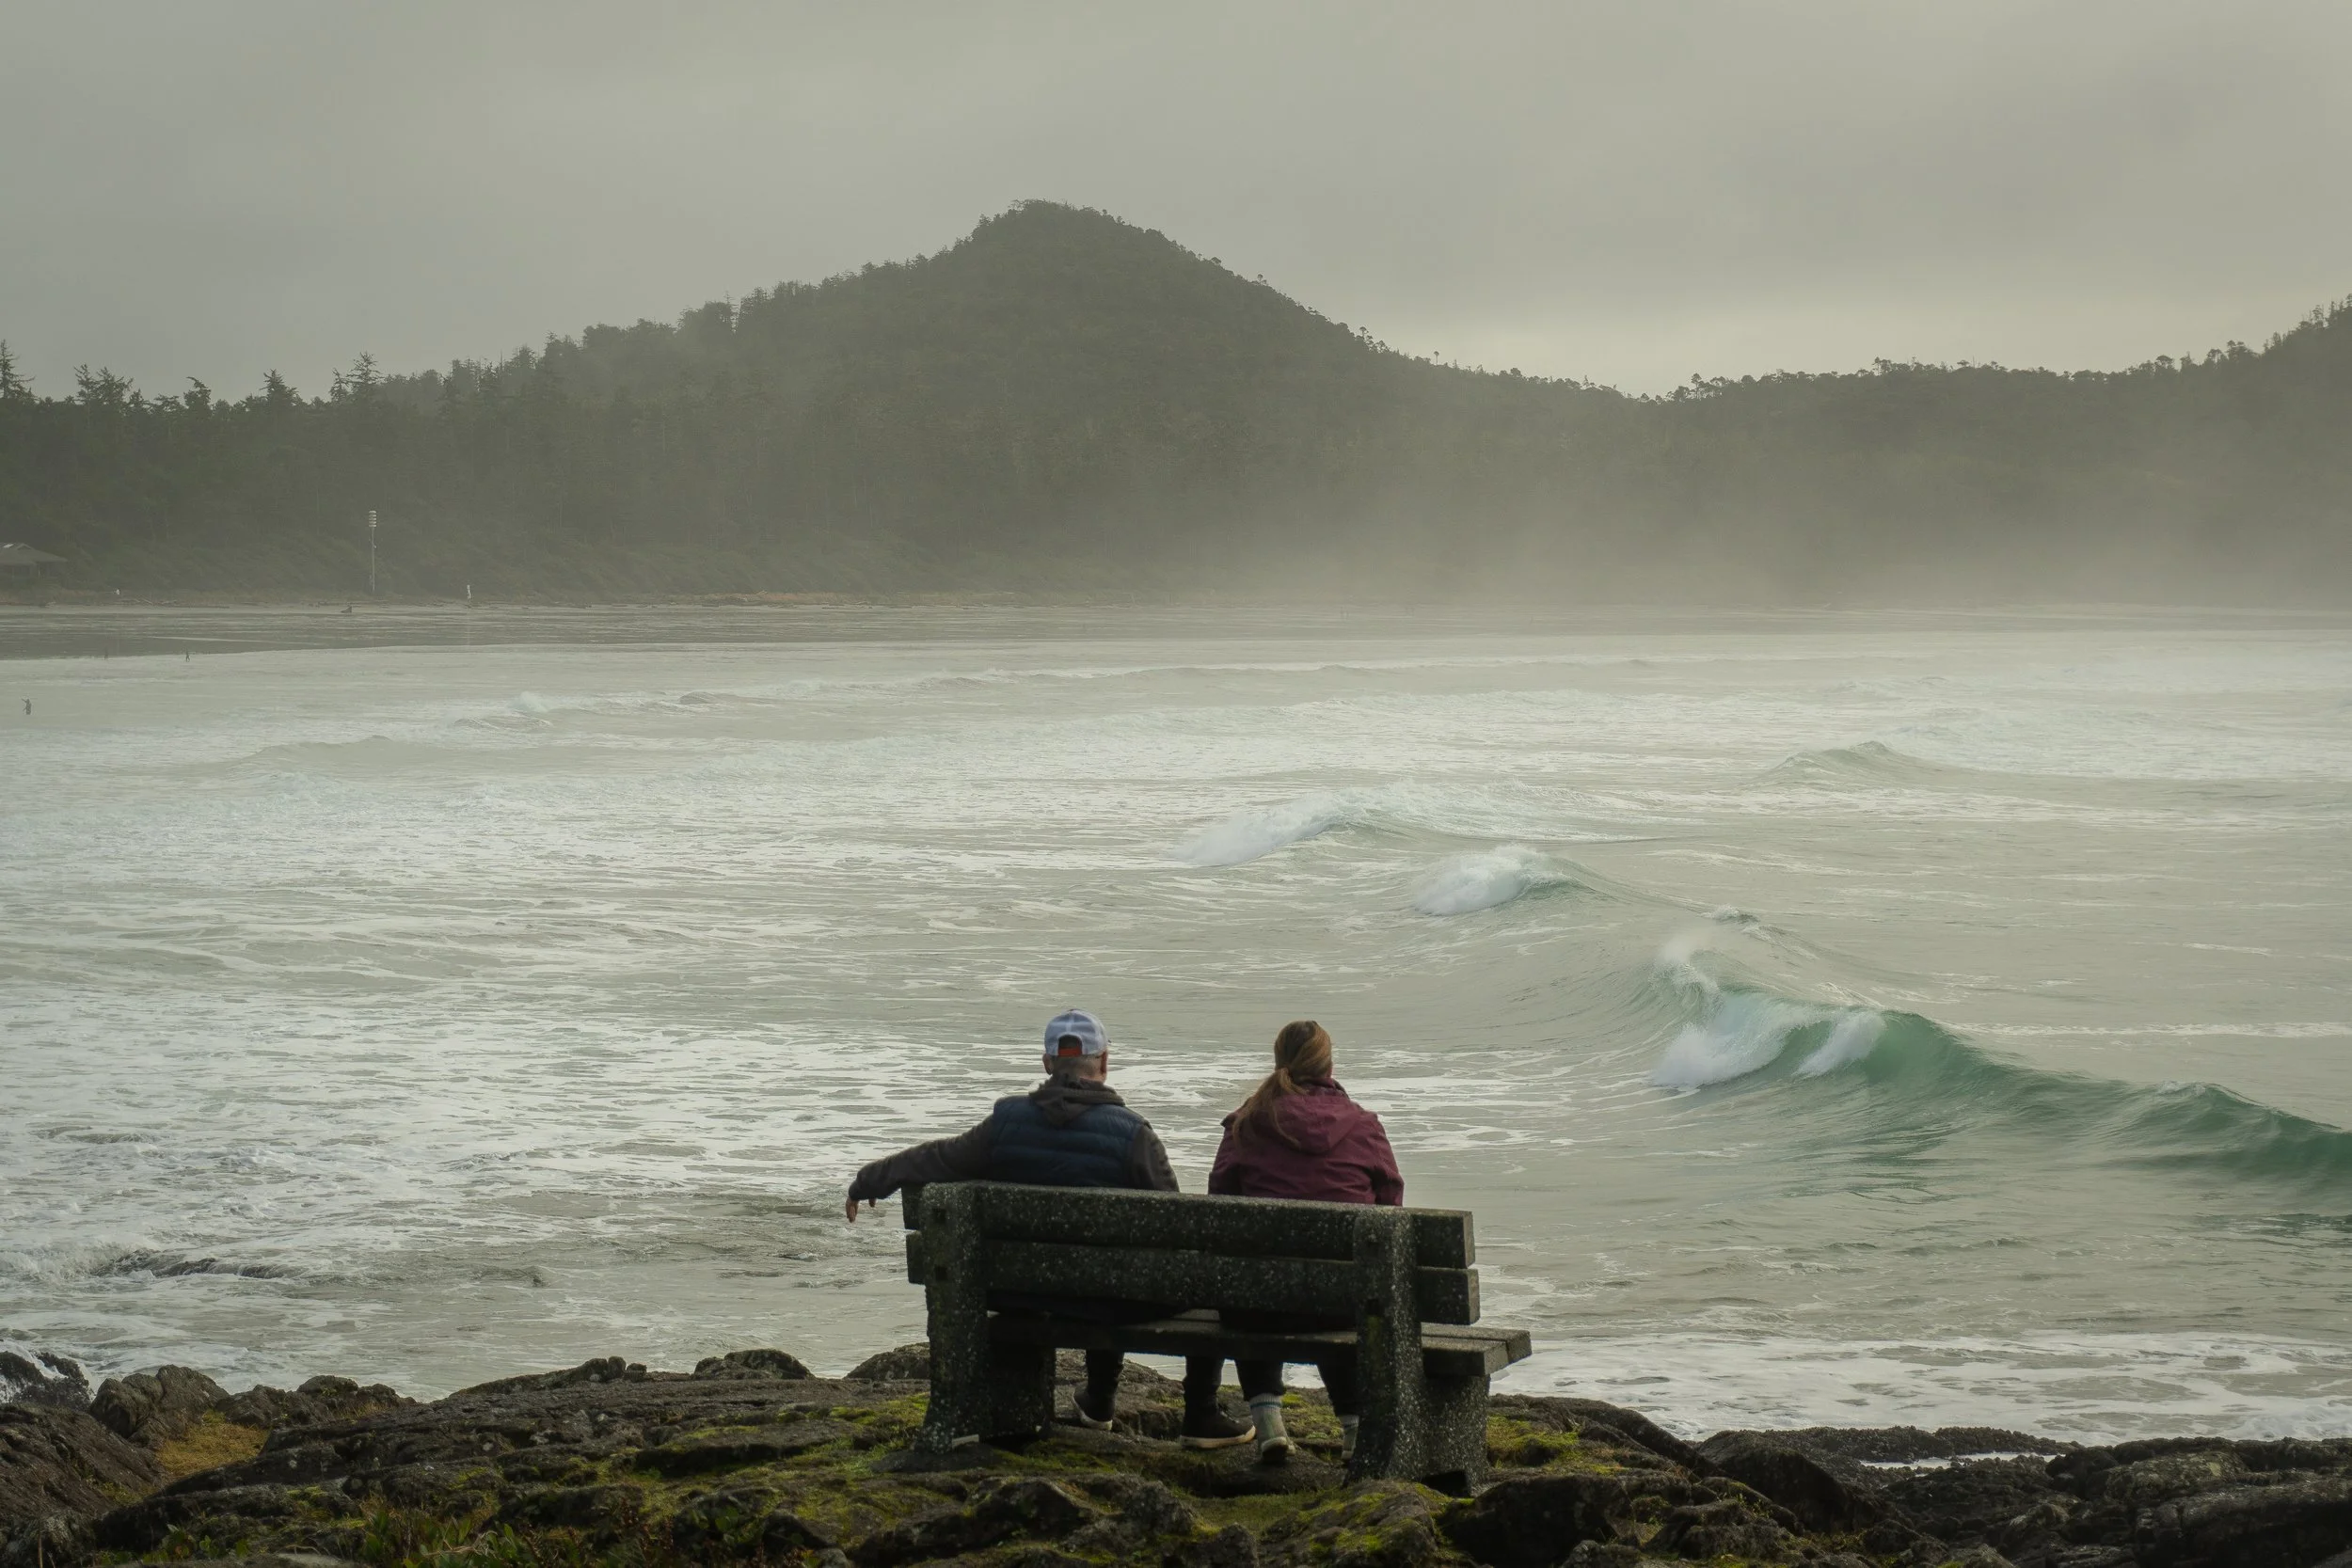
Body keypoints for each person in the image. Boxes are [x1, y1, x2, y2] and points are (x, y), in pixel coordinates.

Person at [844, 1009, 1250, 1449]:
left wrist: (871, 1179)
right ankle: (1196, 1414)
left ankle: (1095, 1404)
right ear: (1105, 1062)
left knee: (1096, 1268)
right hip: (1113, 1298)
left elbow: (937, 1158)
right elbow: (1175, 1228)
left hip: (1021, 1293)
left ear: (1046, 1064)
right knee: (1194, 1271)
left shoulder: (1005, 1124)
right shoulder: (1133, 1134)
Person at [1207, 1019, 1403, 1463]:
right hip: (1343, 1304)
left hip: (1257, 1306)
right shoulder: (1364, 1126)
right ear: (1329, 1066)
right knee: (1342, 1277)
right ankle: (1354, 1429)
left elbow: (1218, 1207)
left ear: (1280, 1063)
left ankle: (1269, 1421)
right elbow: (1392, 1209)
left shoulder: (1246, 1122)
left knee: (1256, 1276)